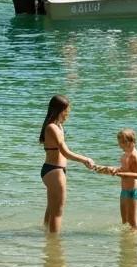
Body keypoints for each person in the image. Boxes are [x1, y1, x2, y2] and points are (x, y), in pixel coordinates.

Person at [39, 94, 95, 234]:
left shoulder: (58, 126)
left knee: (51, 209)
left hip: (53, 170)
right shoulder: (52, 127)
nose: (68, 114)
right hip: (55, 171)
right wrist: (85, 159)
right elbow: (65, 152)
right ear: (59, 110)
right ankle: (54, 245)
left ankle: (46, 238)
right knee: (57, 212)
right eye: (66, 111)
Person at [109, 128, 137, 231]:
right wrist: (113, 170)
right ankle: (126, 243)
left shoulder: (135, 156)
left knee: (133, 223)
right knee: (125, 221)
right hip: (124, 190)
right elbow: (124, 170)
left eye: (122, 142)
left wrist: (119, 173)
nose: (120, 145)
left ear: (131, 142)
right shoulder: (124, 155)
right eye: (119, 142)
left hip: (133, 190)